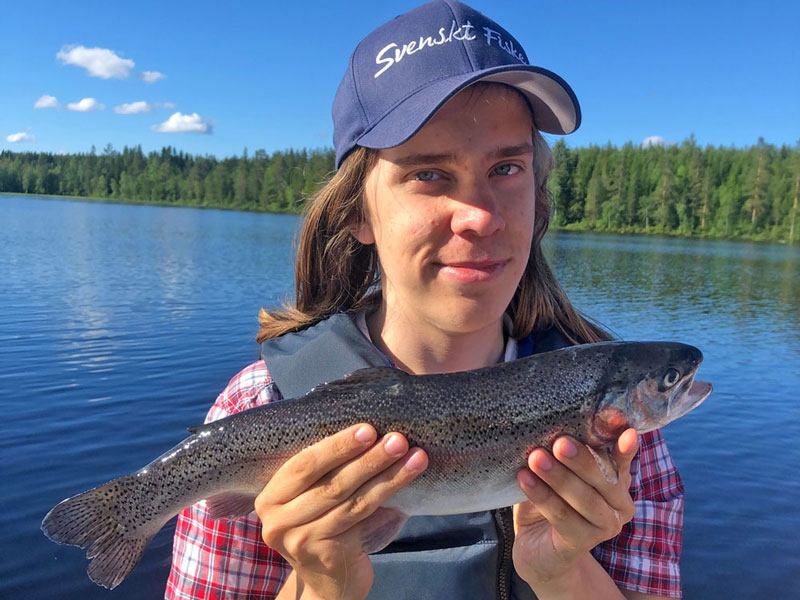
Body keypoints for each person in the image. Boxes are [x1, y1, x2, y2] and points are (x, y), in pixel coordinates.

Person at [166, 1, 684, 598]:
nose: (480, 216)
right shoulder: (255, 407)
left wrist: (564, 571)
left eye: (508, 167)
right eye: (430, 174)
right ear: (358, 211)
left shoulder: (624, 436)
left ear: (539, 197)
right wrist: (321, 584)